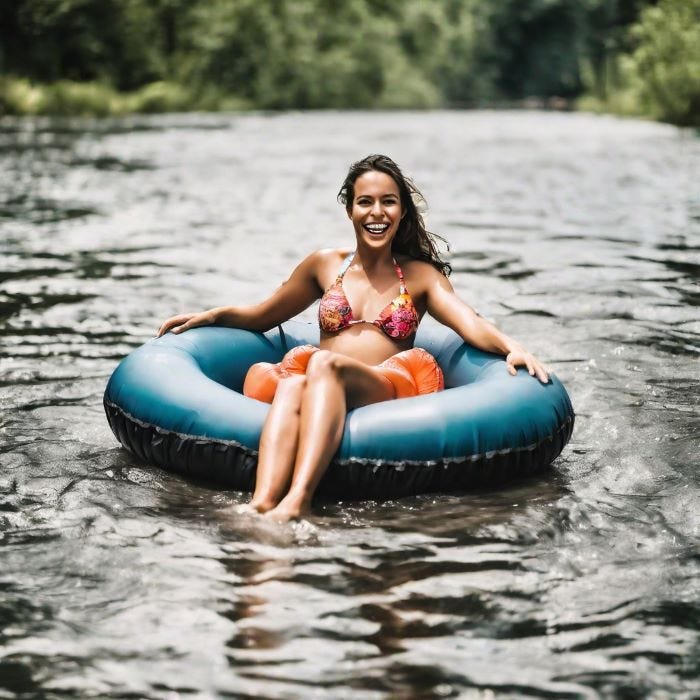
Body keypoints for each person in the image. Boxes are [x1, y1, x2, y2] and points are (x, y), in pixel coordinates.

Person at [157, 155, 549, 521]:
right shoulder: (325, 265)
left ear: (402, 211)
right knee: (294, 384)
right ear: (349, 210)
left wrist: (513, 347)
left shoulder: (420, 276)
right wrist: (211, 315)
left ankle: (298, 501)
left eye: (389, 202)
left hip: (384, 386)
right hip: (322, 384)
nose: (377, 213)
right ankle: (262, 503)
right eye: (365, 202)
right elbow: (263, 314)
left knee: (323, 363)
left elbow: (470, 321)